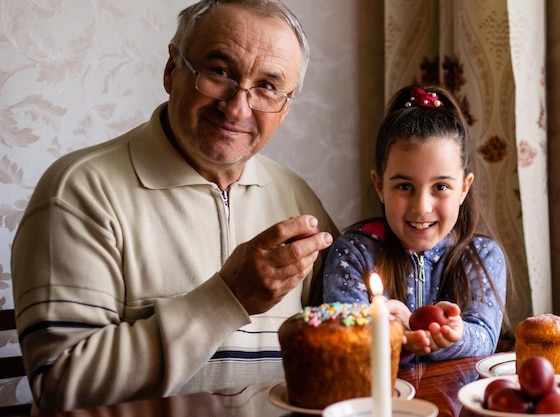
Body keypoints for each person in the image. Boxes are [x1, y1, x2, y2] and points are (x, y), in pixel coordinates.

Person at [10, 0, 338, 413]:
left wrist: (397, 325)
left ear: (285, 107)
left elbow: (346, 323)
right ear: (171, 70)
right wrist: (228, 297)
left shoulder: (297, 197)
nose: (238, 107)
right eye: (219, 72)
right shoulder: (78, 192)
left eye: (268, 87)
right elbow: (62, 387)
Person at [323, 85, 507, 361]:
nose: (422, 206)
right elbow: (344, 341)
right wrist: (399, 334)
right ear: (380, 185)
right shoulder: (354, 253)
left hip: (452, 405)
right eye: (405, 186)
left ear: (464, 189)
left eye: (441, 186)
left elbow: (484, 338)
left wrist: (453, 335)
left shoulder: (481, 255)